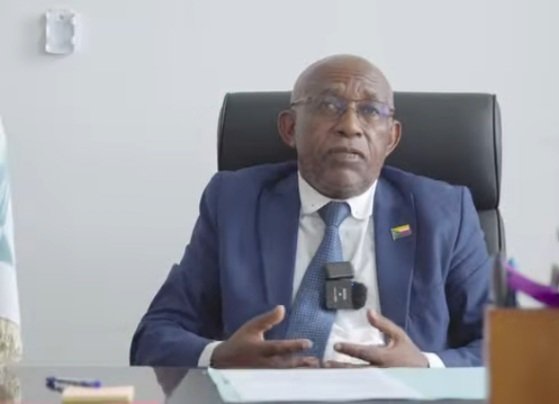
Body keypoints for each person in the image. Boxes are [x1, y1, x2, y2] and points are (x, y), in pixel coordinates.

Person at [130, 54, 491, 368]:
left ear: (391, 137)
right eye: (329, 106)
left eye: (370, 111)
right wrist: (221, 356)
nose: (350, 127)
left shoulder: (444, 213)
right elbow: (155, 336)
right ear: (290, 128)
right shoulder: (234, 203)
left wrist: (425, 366)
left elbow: (500, 344)